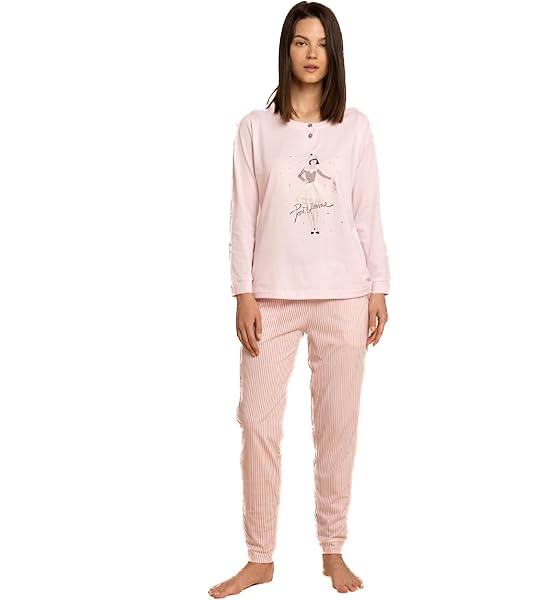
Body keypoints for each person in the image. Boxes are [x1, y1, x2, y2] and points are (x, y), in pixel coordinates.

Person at [209, 2, 390, 596]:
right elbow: (241, 217)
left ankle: (333, 549)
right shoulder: (254, 129)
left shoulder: (355, 128)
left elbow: (367, 213)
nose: (312, 54)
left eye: (322, 44)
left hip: (345, 294)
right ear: (285, 49)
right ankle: (260, 556)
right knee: (257, 422)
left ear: (334, 55)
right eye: (300, 42)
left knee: (337, 426)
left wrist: (379, 287)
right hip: (272, 297)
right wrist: (242, 292)